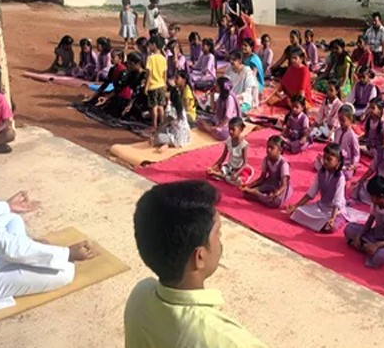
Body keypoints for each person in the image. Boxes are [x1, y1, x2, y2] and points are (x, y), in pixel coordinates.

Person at [0, 88, 98, 320]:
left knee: (11, 219)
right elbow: (1, 243)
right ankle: (22, 257)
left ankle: (26, 252)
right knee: (64, 271)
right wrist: (65, 253)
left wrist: (6, 206)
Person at [125, 181, 266, 348]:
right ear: (199, 257)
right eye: (217, 233)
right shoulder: (230, 341)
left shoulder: (139, 296)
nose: (220, 239)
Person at [286, 143, 364, 233]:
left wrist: (332, 218)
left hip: (335, 210)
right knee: (296, 213)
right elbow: (311, 193)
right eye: (324, 158)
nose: (325, 161)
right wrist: (296, 206)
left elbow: (337, 201)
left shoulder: (340, 178)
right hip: (321, 206)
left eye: (329, 159)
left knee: (329, 227)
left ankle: (338, 219)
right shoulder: (321, 172)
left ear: (338, 162)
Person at [345, 176, 384, 268]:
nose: (370, 198)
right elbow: (369, 223)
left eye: (372, 196)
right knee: (349, 228)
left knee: (379, 257)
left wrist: (376, 245)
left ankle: (364, 247)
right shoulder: (376, 205)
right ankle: (365, 247)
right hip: (374, 234)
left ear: (380, 197)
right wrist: (359, 236)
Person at [351, 125, 384, 205]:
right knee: (359, 187)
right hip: (378, 181)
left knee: (381, 195)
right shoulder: (379, 151)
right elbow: (371, 169)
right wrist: (360, 181)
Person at [241, 135, 293, 208]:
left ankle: (257, 195)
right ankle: (260, 196)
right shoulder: (266, 159)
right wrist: (249, 186)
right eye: (268, 147)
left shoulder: (284, 164)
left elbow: (283, 185)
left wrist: (276, 193)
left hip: (279, 187)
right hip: (269, 182)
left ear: (280, 150)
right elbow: (262, 178)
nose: (268, 149)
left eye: (272, 148)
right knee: (245, 193)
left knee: (276, 202)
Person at [207, 117, 250, 186]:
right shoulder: (228, 141)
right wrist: (213, 167)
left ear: (241, 130)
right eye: (229, 129)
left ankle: (221, 176)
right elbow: (223, 157)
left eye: (233, 129)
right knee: (210, 173)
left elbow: (245, 163)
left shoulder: (244, 145)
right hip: (229, 167)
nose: (230, 132)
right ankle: (222, 175)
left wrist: (237, 173)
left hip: (238, 169)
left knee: (236, 180)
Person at [151, 87, 191, 151]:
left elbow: (164, 124)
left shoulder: (171, 110)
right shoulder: (180, 107)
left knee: (158, 137)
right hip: (186, 135)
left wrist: (156, 133)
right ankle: (167, 143)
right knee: (165, 130)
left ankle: (167, 143)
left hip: (178, 138)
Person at [144, 36, 167, 130]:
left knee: (154, 106)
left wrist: (146, 87)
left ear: (154, 45)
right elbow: (164, 74)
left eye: (149, 44)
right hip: (161, 85)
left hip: (153, 86)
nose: (149, 47)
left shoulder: (150, 58)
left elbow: (149, 75)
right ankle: (162, 123)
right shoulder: (163, 58)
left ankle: (154, 124)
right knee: (161, 106)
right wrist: (165, 84)